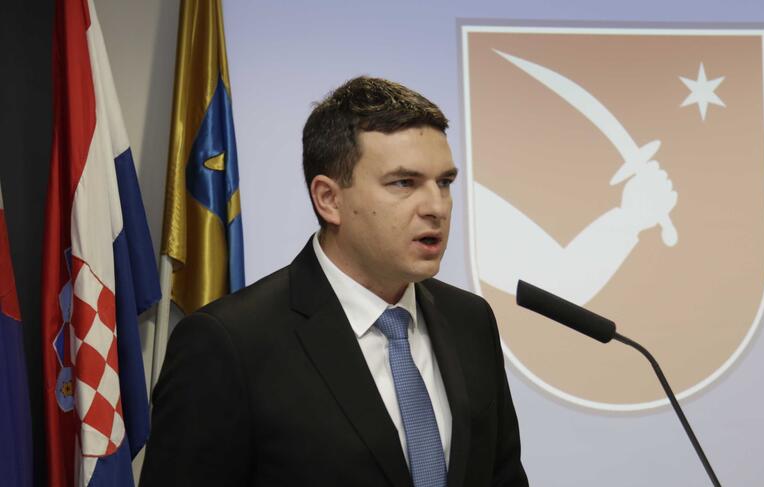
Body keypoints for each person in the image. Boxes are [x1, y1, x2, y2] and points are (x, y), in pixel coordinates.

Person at [140, 77, 528, 487]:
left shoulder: (470, 320)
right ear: (328, 199)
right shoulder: (229, 343)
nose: (436, 207)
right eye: (404, 183)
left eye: (444, 183)